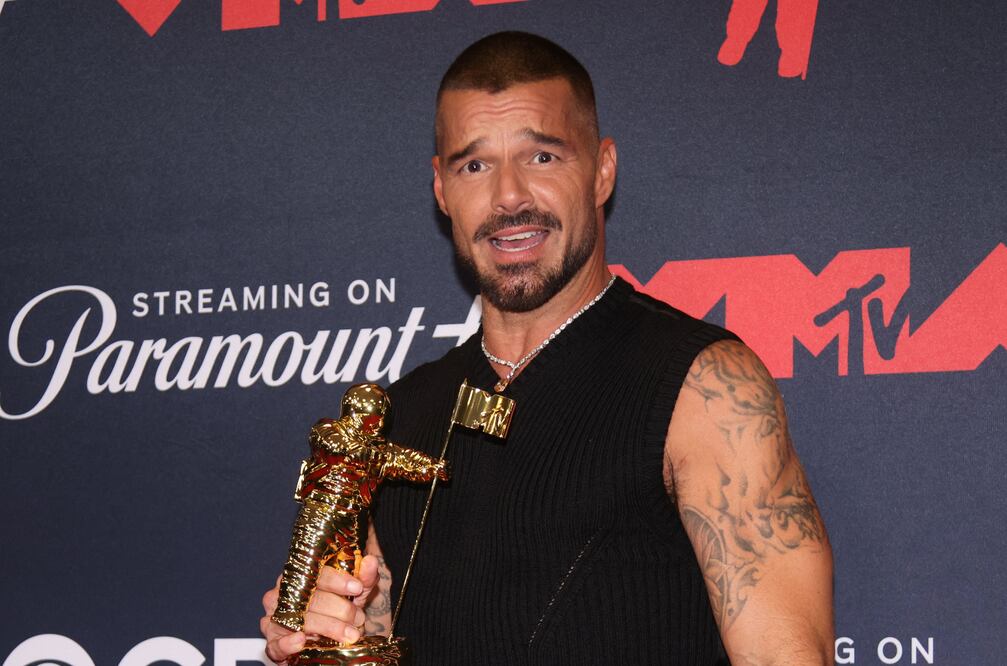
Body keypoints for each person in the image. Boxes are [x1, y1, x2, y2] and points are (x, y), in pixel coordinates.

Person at [262, 31, 834, 664]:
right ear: (441, 189)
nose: (509, 196)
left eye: (541, 157)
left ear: (602, 171)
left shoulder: (706, 387)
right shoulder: (401, 414)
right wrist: (347, 630)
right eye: (474, 165)